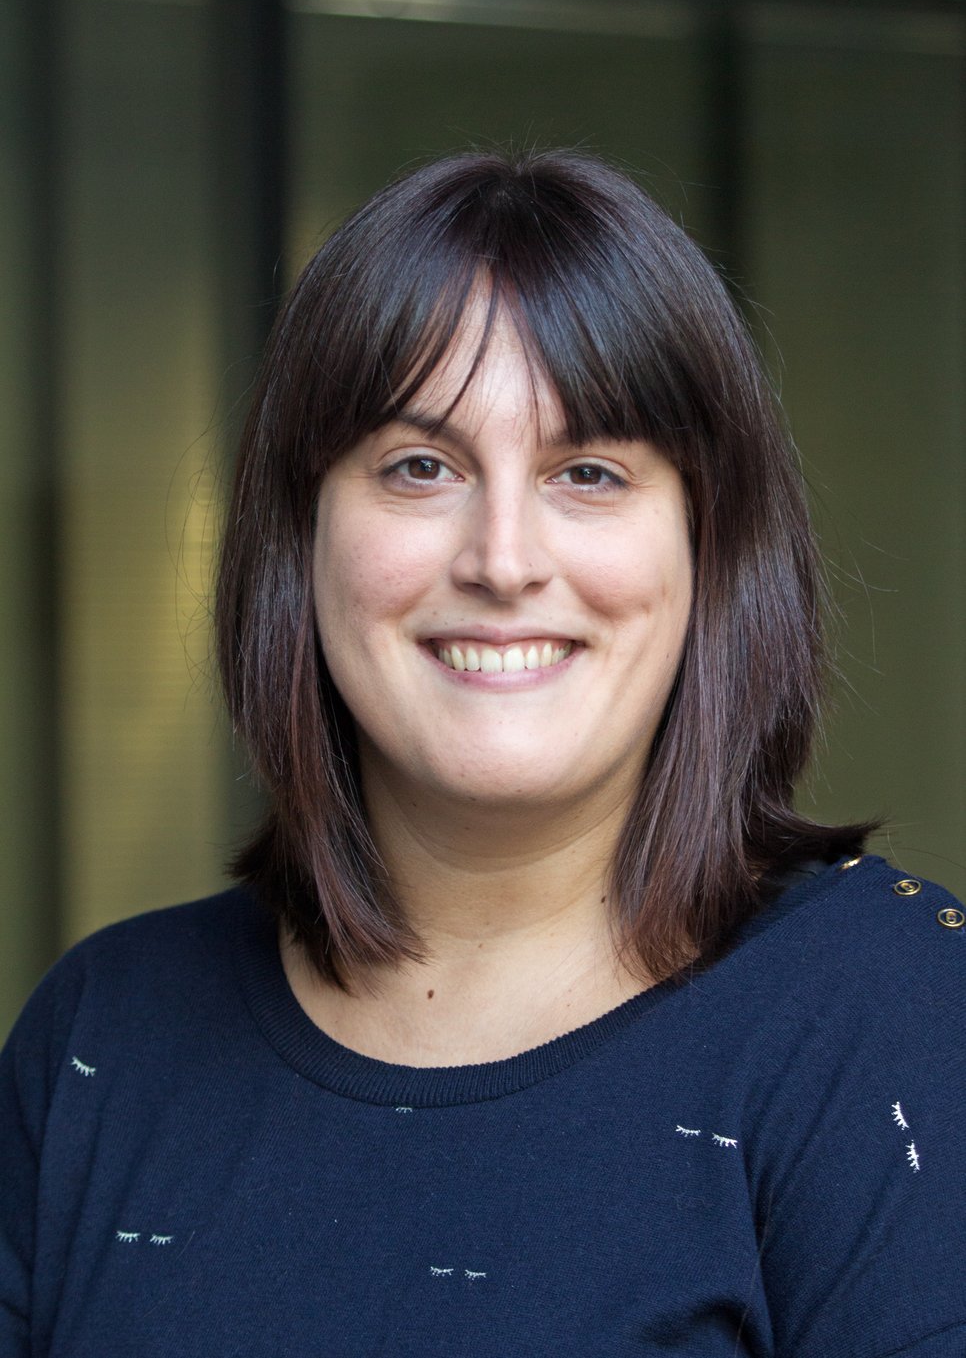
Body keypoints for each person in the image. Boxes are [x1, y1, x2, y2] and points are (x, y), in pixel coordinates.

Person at [1, 150, 963, 1357]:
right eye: (420, 467)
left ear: (709, 550)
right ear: (298, 538)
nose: (503, 560)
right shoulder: (105, 1035)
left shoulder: (892, 1018)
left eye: (591, 472)